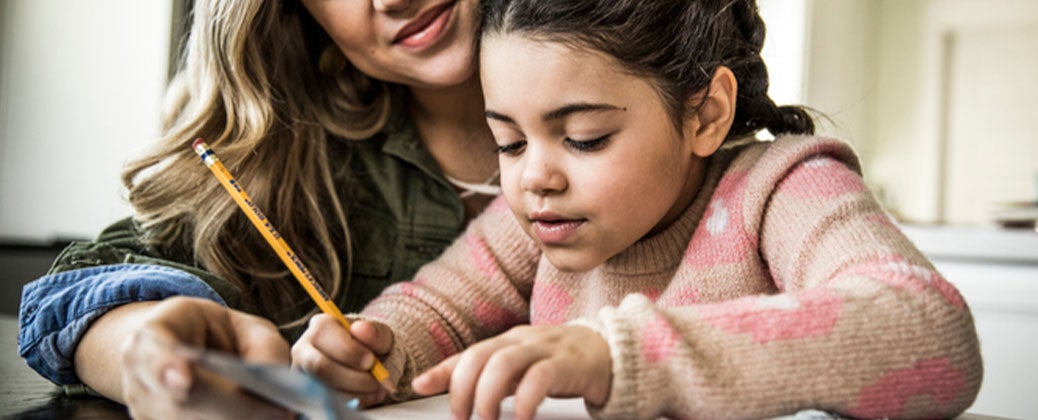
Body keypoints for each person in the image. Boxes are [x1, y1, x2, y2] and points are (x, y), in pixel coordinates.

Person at [291, 0, 985, 418]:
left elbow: (930, 331)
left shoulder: (782, 189)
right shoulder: (535, 221)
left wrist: (620, 355)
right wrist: (374, 348)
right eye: (506, 140)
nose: (534, 176)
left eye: (584, 138)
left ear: (706, 113)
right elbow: (434, 310)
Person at [18, 0, 498, 418]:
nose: (394, 0)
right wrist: (152, 356)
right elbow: (75, 290)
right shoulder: (294, 163)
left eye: (578, 139)